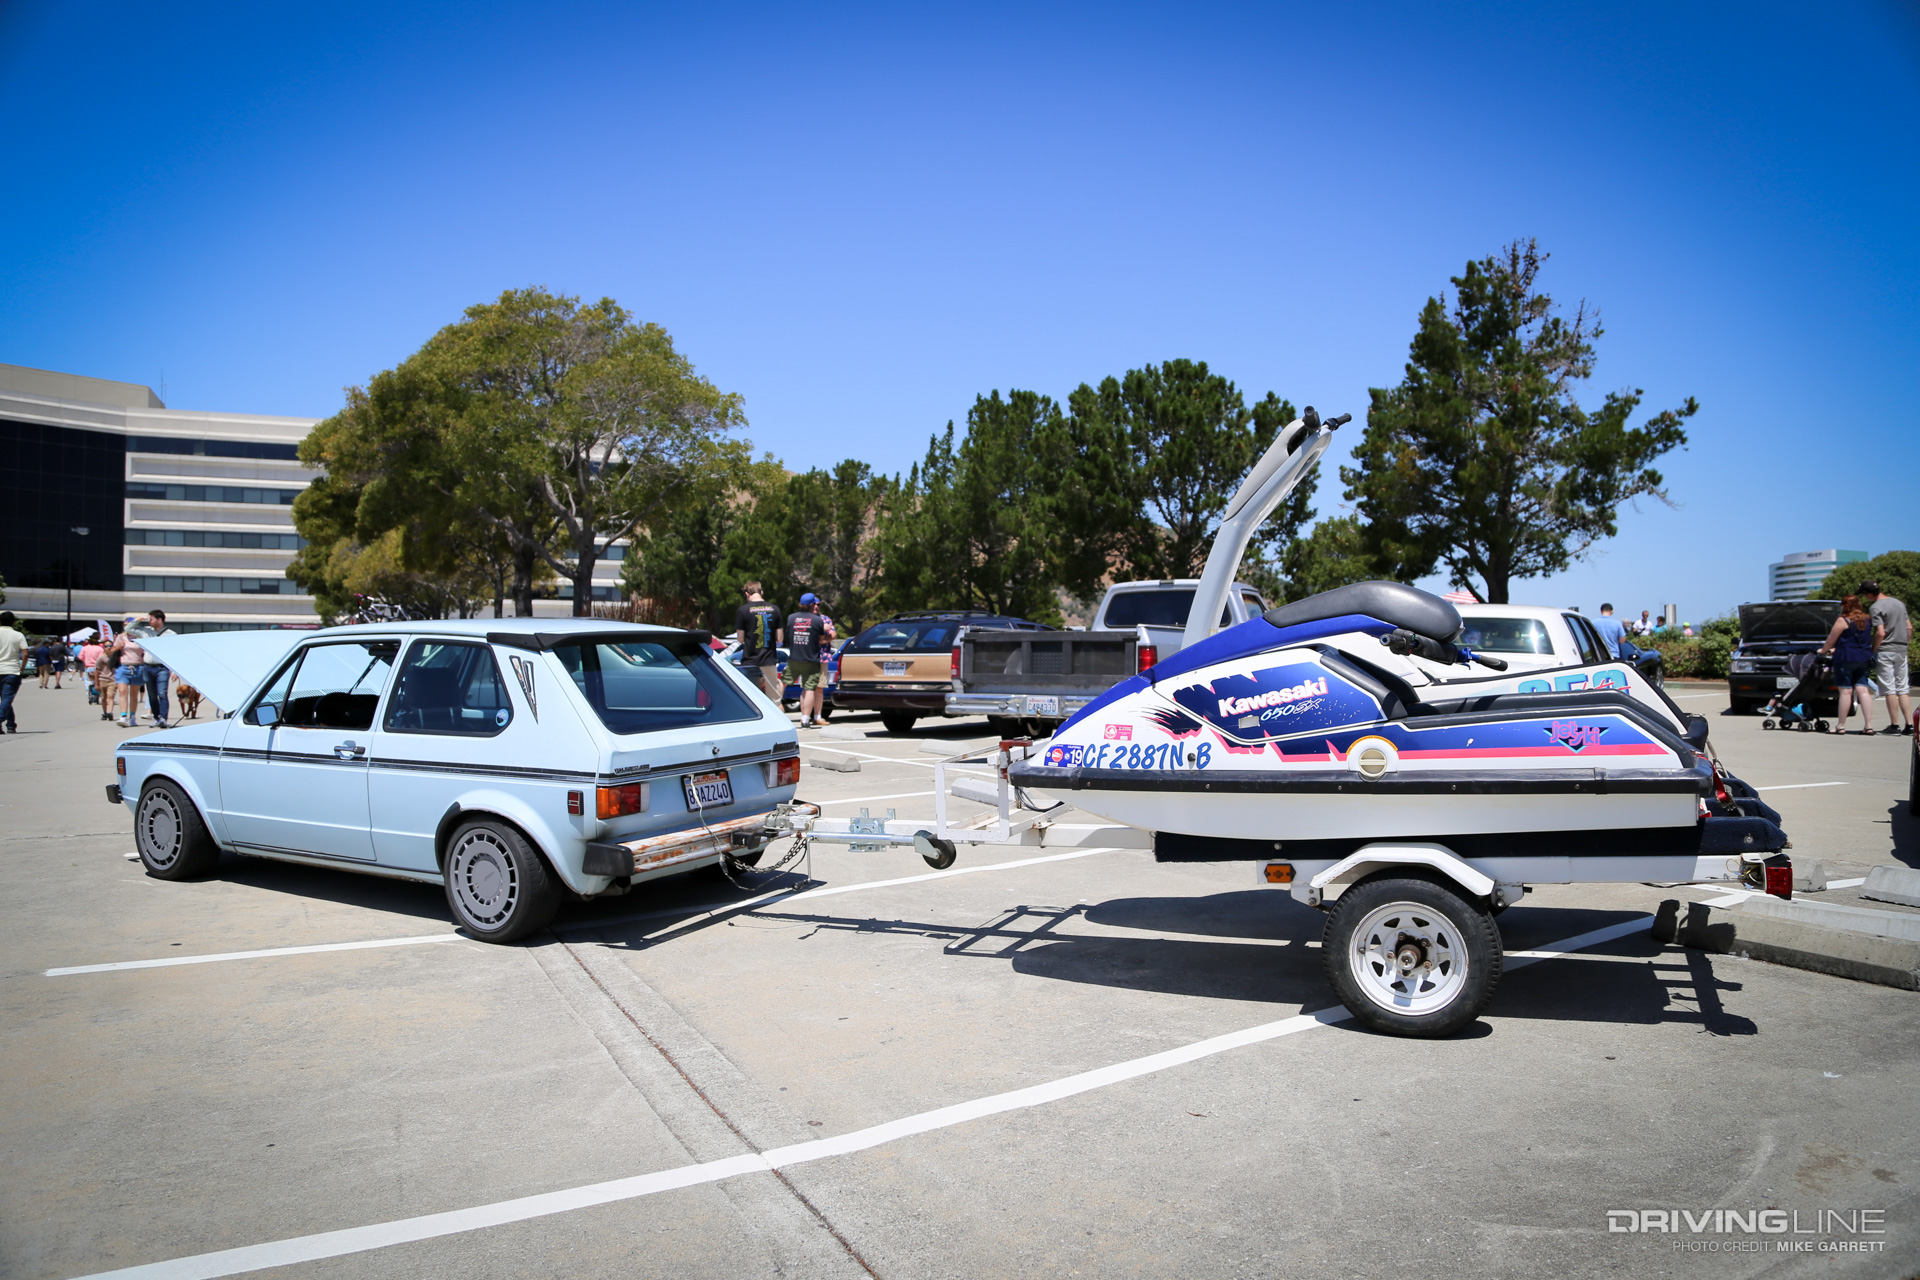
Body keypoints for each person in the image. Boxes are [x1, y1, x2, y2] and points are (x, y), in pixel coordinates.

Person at [1818, 595, 1882, 734]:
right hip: (1863, 658)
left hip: (1845, 659)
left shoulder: (1843, 620)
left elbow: (1831, 639)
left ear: (1845, 606)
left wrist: (1823, 651)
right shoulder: (1867, 620)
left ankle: (1841, 725)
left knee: (1846, 692)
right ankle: (1869, 726)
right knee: (1863, 691)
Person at [1860, 580, 1912, 736]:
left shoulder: (1876, 607)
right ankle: (1909, 725)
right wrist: (1905, 644)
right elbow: (1909, 627)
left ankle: (1894, 724)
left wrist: (1873, 650)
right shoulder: (1899, 604)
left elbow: (1880, 632)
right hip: (1901, 649)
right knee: (1903, 688)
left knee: (1889, 688)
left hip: (1885, 650)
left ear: (1869, 594)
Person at [785, 593, 834, 728]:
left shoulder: (791, 618)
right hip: (811, 658)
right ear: (812, 604)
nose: (817, 606)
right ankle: (805, 718)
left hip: (796, 657)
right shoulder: (818, 621)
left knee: (784, 684)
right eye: (816, 604)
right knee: (809, 689)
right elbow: (820, 638)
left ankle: (776, 710)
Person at [734, 581, 784, 702]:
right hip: (769, 659)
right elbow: (780, 638)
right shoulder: (774, 609)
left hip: (750, 660)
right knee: (775, 700)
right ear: (761, 592)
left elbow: (740, 639)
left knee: (751, 699)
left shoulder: (742, 610)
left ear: (746, 594)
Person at [112, 615, 148, 729]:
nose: (126, 626)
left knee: (134, 694)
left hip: (138, 666)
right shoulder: (120, 637)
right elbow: (112, 651)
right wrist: (118, 647)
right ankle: (123, 716)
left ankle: (132, 717)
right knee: (122, 692)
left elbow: (145, 651)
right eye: (125, 624)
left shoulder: (140, 637)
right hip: (123, 667)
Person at [140, 609, 173, 727]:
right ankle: (156, 717)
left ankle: (163, 718)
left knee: (162, 694)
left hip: (162, 668)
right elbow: (129, 629)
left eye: (151, 619)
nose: (149, 621)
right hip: (148, 667)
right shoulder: (146, 632)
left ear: (159, 620)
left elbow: (175, 653)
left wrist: (174, 671)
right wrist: (138, 620)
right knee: (152, 696)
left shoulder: (171, 635)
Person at [0, 611, 24, 734]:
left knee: (5, 699)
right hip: (11, 670)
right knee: (7, 698)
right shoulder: (18, 635)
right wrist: (22, 668)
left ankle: (10, 725)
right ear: (13, 621)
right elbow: (25, 653)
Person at [80, 635, 104, 706]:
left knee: (88, 681)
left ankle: (89, 693)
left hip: (88, 666)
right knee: (97, 681)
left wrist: (86, 660)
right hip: (97, 667)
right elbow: (101, 658)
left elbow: (80, 657)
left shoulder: (85, 648)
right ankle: (97, 694)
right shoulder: (99, 649)